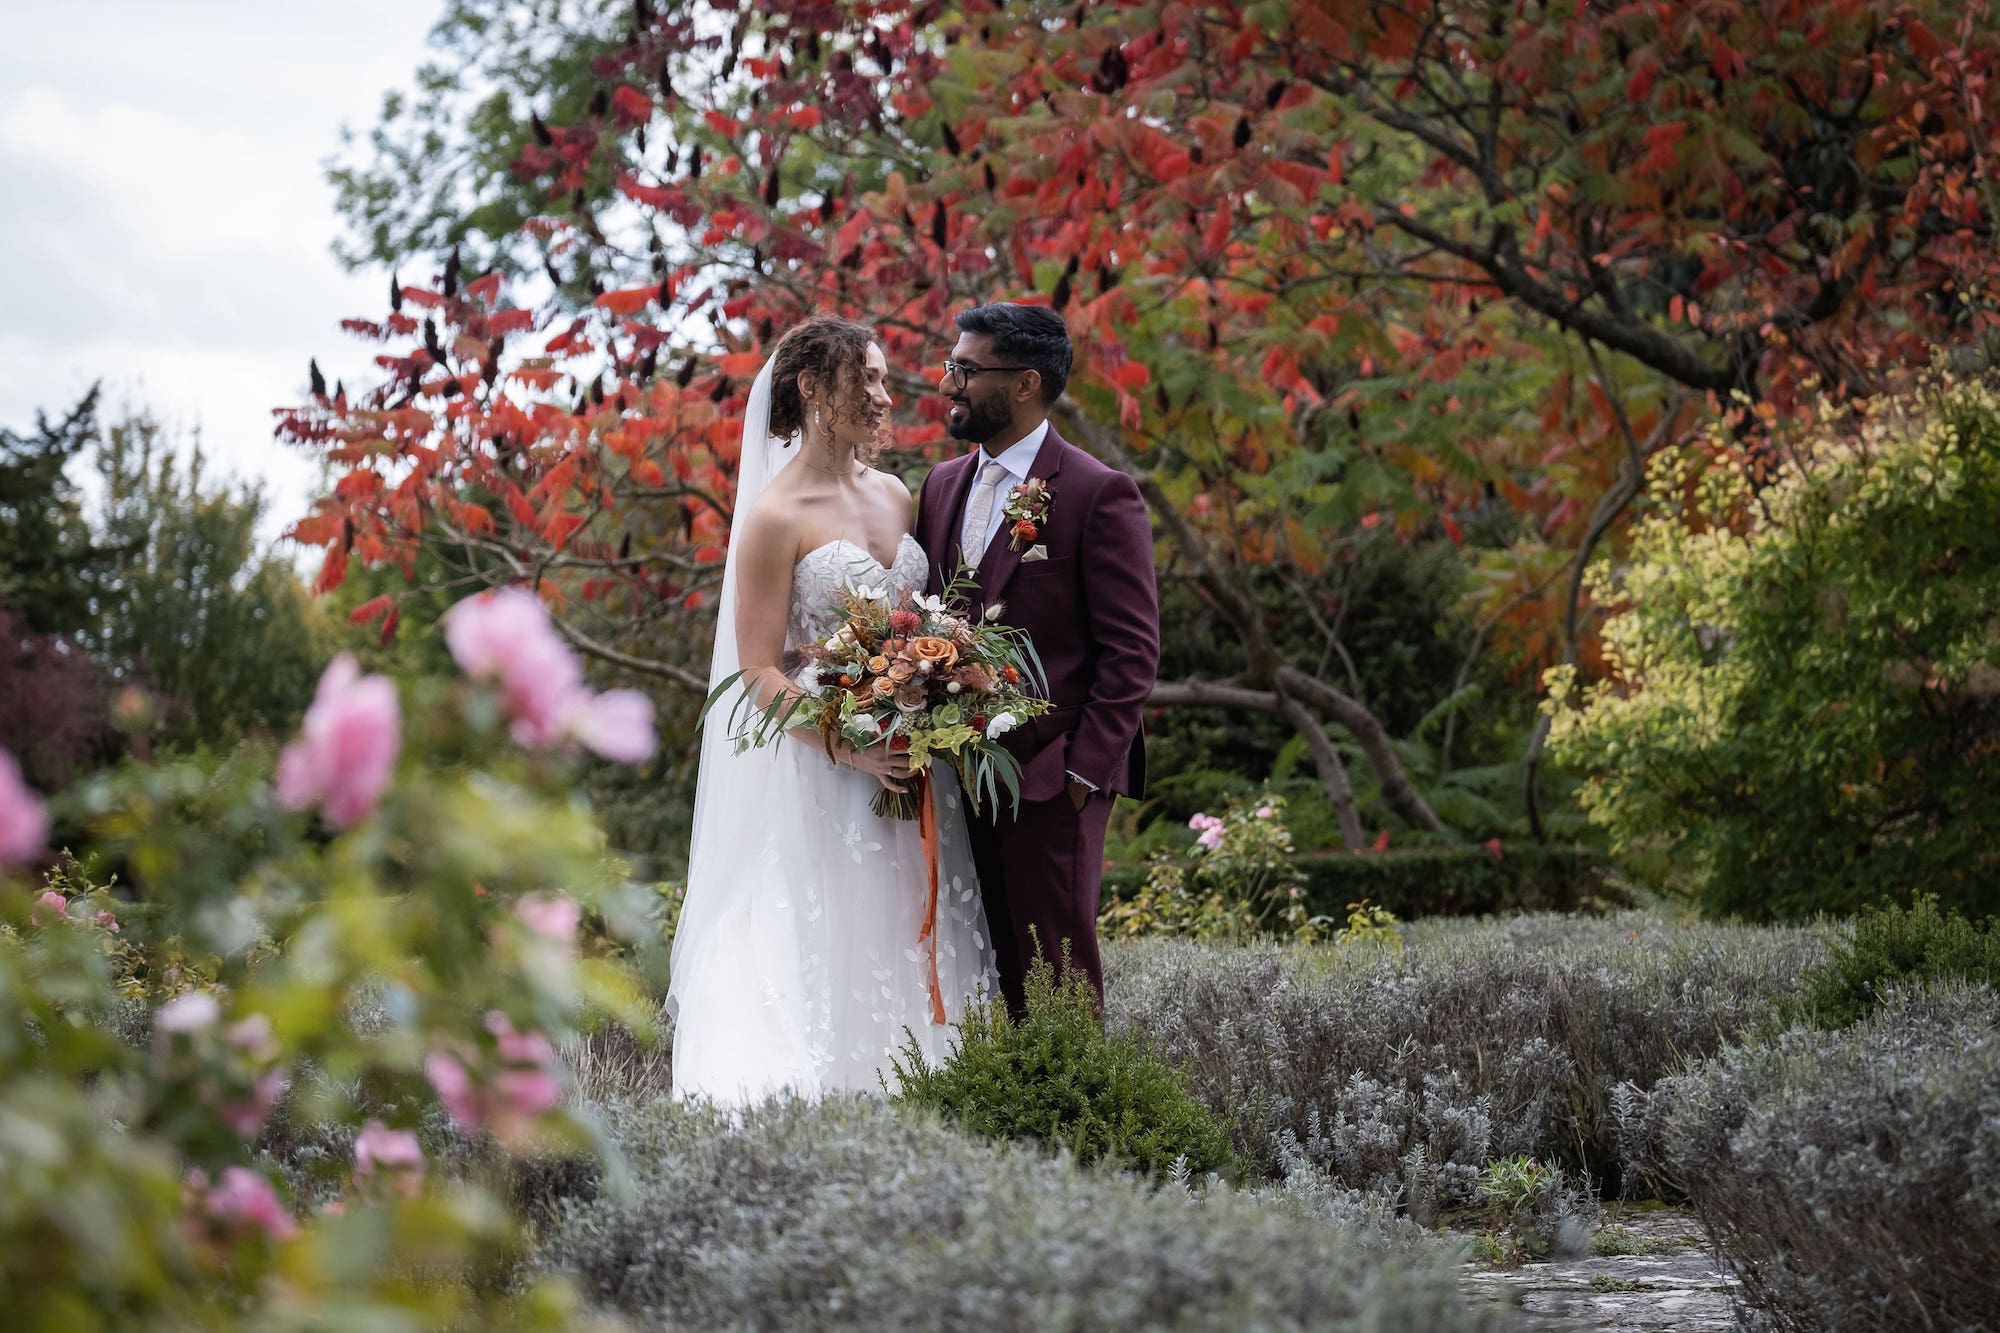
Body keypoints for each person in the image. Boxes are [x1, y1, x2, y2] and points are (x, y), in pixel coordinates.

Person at [667, 316, 996, 1105]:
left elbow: (916, 618)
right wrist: (846, 745)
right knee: (827, 945)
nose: (888, 397)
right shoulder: (774, 518)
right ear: (813, 388)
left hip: (914, 765)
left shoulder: (895, 494)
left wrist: (938, 678)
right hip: (827, 772)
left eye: (885, 381)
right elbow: (757, 671)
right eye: (870, 381)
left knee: (913, 937)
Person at [913, 303, 1160, 1017]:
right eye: (951, 365)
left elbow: (1132, 652)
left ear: (1025, 383)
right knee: (975, 978)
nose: (949, 382)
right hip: (956, 782)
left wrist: (1080, 774)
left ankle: (1072, 1124)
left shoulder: (1097, 493)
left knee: (1055, 980)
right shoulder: (938, 486)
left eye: (966, 369)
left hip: (1053, 785)